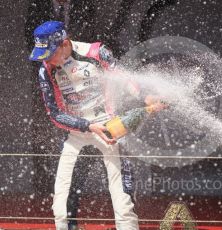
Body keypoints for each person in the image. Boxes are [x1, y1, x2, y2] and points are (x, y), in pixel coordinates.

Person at [29, 21, 141, 230]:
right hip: (77, 133)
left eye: (50, 53)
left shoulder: (97, 52)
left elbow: (124, 79)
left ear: (64, 43)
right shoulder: (45, 70)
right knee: (60, 209)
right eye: (43, 55)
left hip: (110, 129)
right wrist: (88, 126)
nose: (47, 60)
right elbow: (54, 114)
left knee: (122, 203)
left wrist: (145, 96)